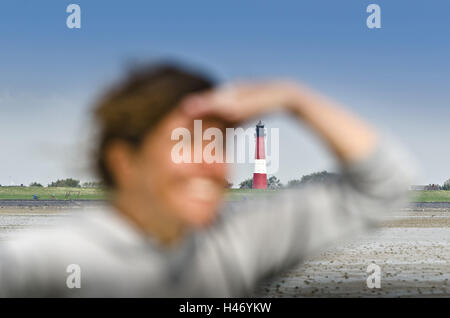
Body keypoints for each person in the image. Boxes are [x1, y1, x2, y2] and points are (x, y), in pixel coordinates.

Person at [0, 63, 412, 297]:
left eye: (218, 144)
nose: (210, 165)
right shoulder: (42, 260)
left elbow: (384, 186)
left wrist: (293, 98)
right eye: (186, 144)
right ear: (125, 160)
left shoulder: (237, 241)